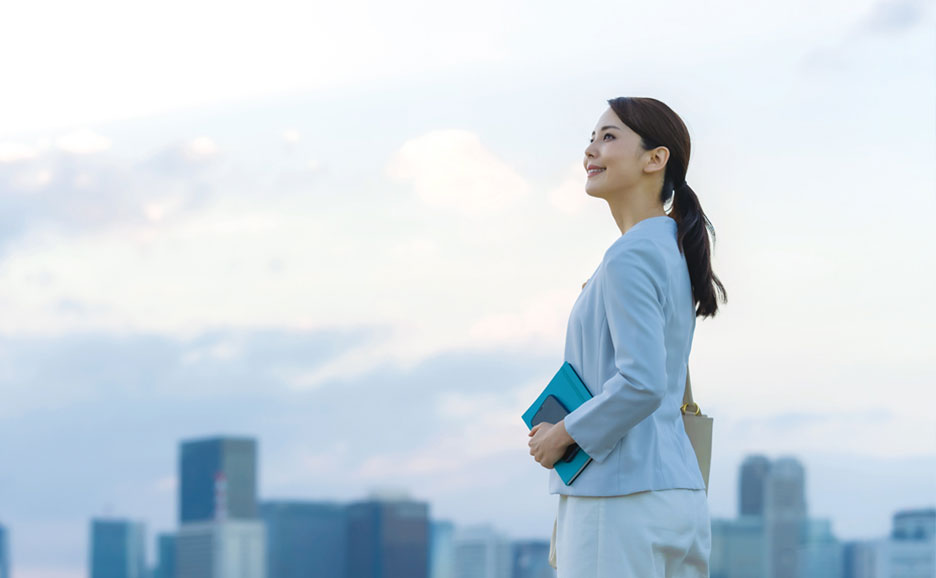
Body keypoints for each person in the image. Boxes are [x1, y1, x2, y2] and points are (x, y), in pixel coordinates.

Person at [527, 97, 727, 577]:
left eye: (609, 136)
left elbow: (642, 383)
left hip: (617, 497)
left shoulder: (629, 256)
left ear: (655, 159)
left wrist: (561, 434)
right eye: (591, 140)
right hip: (676, 495)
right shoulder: (668, 251)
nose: (591, 152)